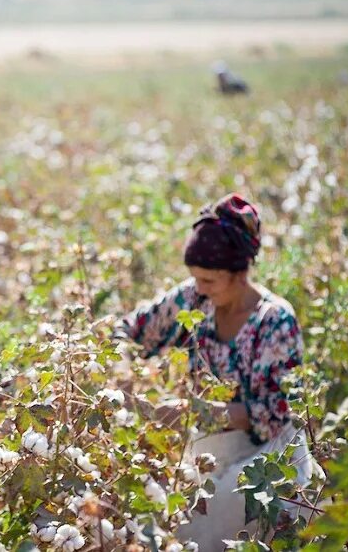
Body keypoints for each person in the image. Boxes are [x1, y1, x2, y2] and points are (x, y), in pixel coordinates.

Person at [115, 193, 314, 550]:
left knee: (212, 519)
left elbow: (273, 415)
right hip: (214, 449)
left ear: (239, 272)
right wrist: (120, 371)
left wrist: (195, 412)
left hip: (272, 462)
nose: (200, 288)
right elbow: (131, 328)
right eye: (195, 279)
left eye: (209, 280)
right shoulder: (195, 297)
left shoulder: (274, 321)